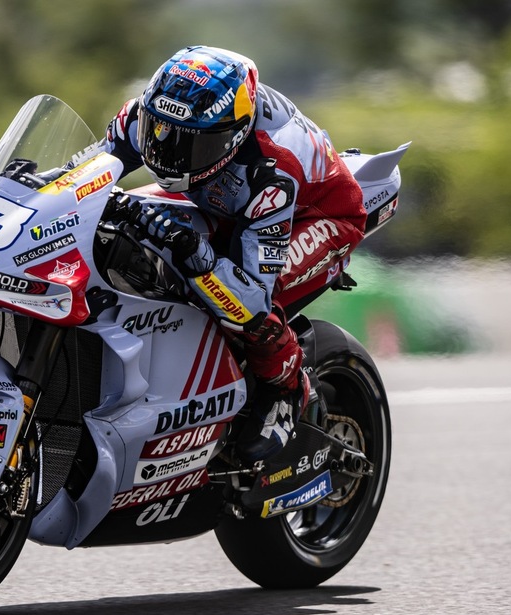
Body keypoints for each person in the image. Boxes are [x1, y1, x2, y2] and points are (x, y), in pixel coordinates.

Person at [101, 45, 368, 462]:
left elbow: (250, 296)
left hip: (315, 214)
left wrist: (194, 251)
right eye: (162, 133)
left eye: (193, 145)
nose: (170, 153)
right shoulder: (146, 115)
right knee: (123, 223)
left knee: (243, 304)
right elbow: (88, 174)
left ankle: (287, 388)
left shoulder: (272, 171)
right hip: (224, 198)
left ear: (234, 135)